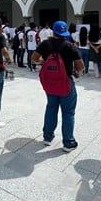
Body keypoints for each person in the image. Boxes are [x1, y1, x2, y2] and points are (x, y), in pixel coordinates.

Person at [32, 21, 84, 152]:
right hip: (65, 83)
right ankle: (68, 142)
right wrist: (77, 73)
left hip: (49, 83)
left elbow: (34, 58)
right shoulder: (70, 46)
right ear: (65, 33)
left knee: (51, 108)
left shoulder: (45, 44)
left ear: (53, 31)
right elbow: (80, 66)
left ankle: (47, 137)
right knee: (68, 112)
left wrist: (43, 62)